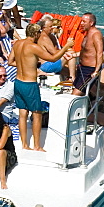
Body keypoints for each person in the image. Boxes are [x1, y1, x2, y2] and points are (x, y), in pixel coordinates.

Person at [11, 23, 74, 151]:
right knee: (37, 113)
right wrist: (67, 46)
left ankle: (24, 144)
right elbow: (53, 58)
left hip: (18, 82)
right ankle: (37, 146)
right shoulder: (33, 47)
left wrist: (29, 64)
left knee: (23, 113)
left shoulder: (17, 44)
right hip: (29, 84)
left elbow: (10, 61)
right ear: (36, 34)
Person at [72, 12, 104, 95]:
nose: (81, 23)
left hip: (89, 70)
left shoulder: (96, 34)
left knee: (75, 94)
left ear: (91, 23)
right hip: (82, 68)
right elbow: (87, 50)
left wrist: (96, 71)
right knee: (84, 91)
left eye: (84, 21)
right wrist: (73, 55)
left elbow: (99, 52)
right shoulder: (87, 33)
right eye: (81, 21)